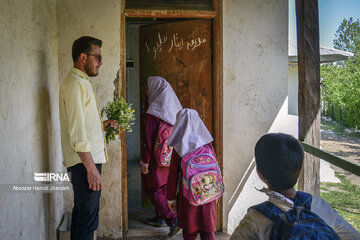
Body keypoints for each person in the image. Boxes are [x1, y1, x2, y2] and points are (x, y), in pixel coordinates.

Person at [230, 133, 360, 240]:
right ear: (300, 168)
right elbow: (353, 236)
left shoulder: (256, 219)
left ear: (260, 174)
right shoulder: (317, 205)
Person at [59, 36, 117, 240]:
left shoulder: (81, 82)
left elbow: (82, 124)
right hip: (84, 163)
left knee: (82, 215)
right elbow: (76, 132)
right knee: (88, 220)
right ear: (83, 57)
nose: (100, 62)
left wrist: (102, 125)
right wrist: (91, 169)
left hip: (85, 161)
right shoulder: (75, 84)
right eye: (97, 57)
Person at [167, 109, 218, 240]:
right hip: (209, 192)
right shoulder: (207, 142)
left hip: (188, 197)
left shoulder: (179, 147)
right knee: (208, 230)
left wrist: (170, 198)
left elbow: (173, 175)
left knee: (189, 230)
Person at [140, 76, 182, 234]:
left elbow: (149, 140)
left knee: (154, 188)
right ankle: (160, 216)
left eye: (148, 88)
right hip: (170, 156)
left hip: (156, 159)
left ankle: (172, 219)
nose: (146, 92)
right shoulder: (175, 109)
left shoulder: (154, 111)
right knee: (164, 187)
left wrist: (145, 160)